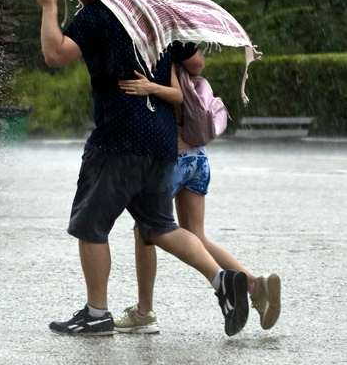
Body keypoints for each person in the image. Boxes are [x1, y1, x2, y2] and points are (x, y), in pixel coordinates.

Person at [36, 0, 252, 338]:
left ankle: (96, 314)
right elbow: (197, 64)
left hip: (117, 139)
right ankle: (222, 281)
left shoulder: (98, 15)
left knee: (90, 224)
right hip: (162, 140)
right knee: (160, 227)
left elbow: (54, 54)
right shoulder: (157, 15)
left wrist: (49, 7)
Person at [114, 63, 282, 334]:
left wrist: (149, 87)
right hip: (198, 158)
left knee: (144, 228)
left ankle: (144, 312)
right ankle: (253, 284)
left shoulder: (162, 57)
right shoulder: (187, 63)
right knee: (196, 235)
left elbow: (175, 97)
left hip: (174, 160)